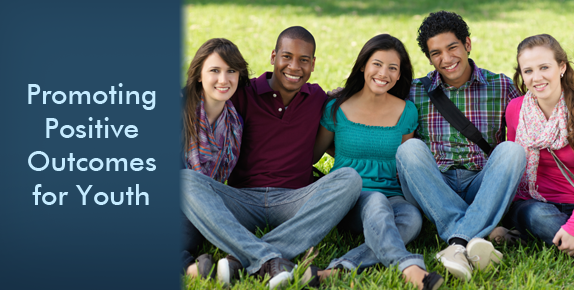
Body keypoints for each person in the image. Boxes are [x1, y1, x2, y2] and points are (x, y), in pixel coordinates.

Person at [181, 26, 362, 288]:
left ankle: (242, 259)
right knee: (185, 180)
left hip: (294, 201)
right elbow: (203, 99)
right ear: (273, 57)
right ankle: (269, 260)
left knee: (349, 179)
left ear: (313, 65)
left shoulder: (317, 99)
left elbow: (349, 121)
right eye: (286, 57)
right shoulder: (243, 93)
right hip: (242, 200)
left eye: (303, 60)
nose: (294, 66)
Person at [395, 11, 527, 281]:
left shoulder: (501, 86)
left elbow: (534, 115)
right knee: (409, 150)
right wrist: (341, 94)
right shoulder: (414, 90)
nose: (446, 59)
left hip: (481, 184)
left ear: (467, 44)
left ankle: (456, 241)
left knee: (512, 151)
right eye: (436, 53)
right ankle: (478, 231)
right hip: (434, 185)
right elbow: (373, 99)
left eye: (452, 47)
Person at [314, 34, 443, 290]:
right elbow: (314, 153)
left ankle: (339, 269)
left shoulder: (406, 111)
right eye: (377, 64)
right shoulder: (336, 108)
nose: (383, 73)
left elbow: (405, 160)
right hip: (351, 200)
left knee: (412, 220)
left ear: (398, 76)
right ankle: (408, 267)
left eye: (392, 68)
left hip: (394, 197)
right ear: (363, 65)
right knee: (375, 200)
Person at [180, 38, 249, 279]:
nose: (224, 79)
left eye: (231, 71)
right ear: (199, 75)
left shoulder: (234, 122)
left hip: (203, 201)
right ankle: (191, 269)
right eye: (214, 71)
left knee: (193, 228)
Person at [500, 34, 574, 256]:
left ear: (561, 67)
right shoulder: (515, 110)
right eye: (528, 70)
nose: (537, 77)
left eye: (544, 67)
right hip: (535, 204)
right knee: (536, 217)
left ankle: (552, 237)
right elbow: (512, 168)